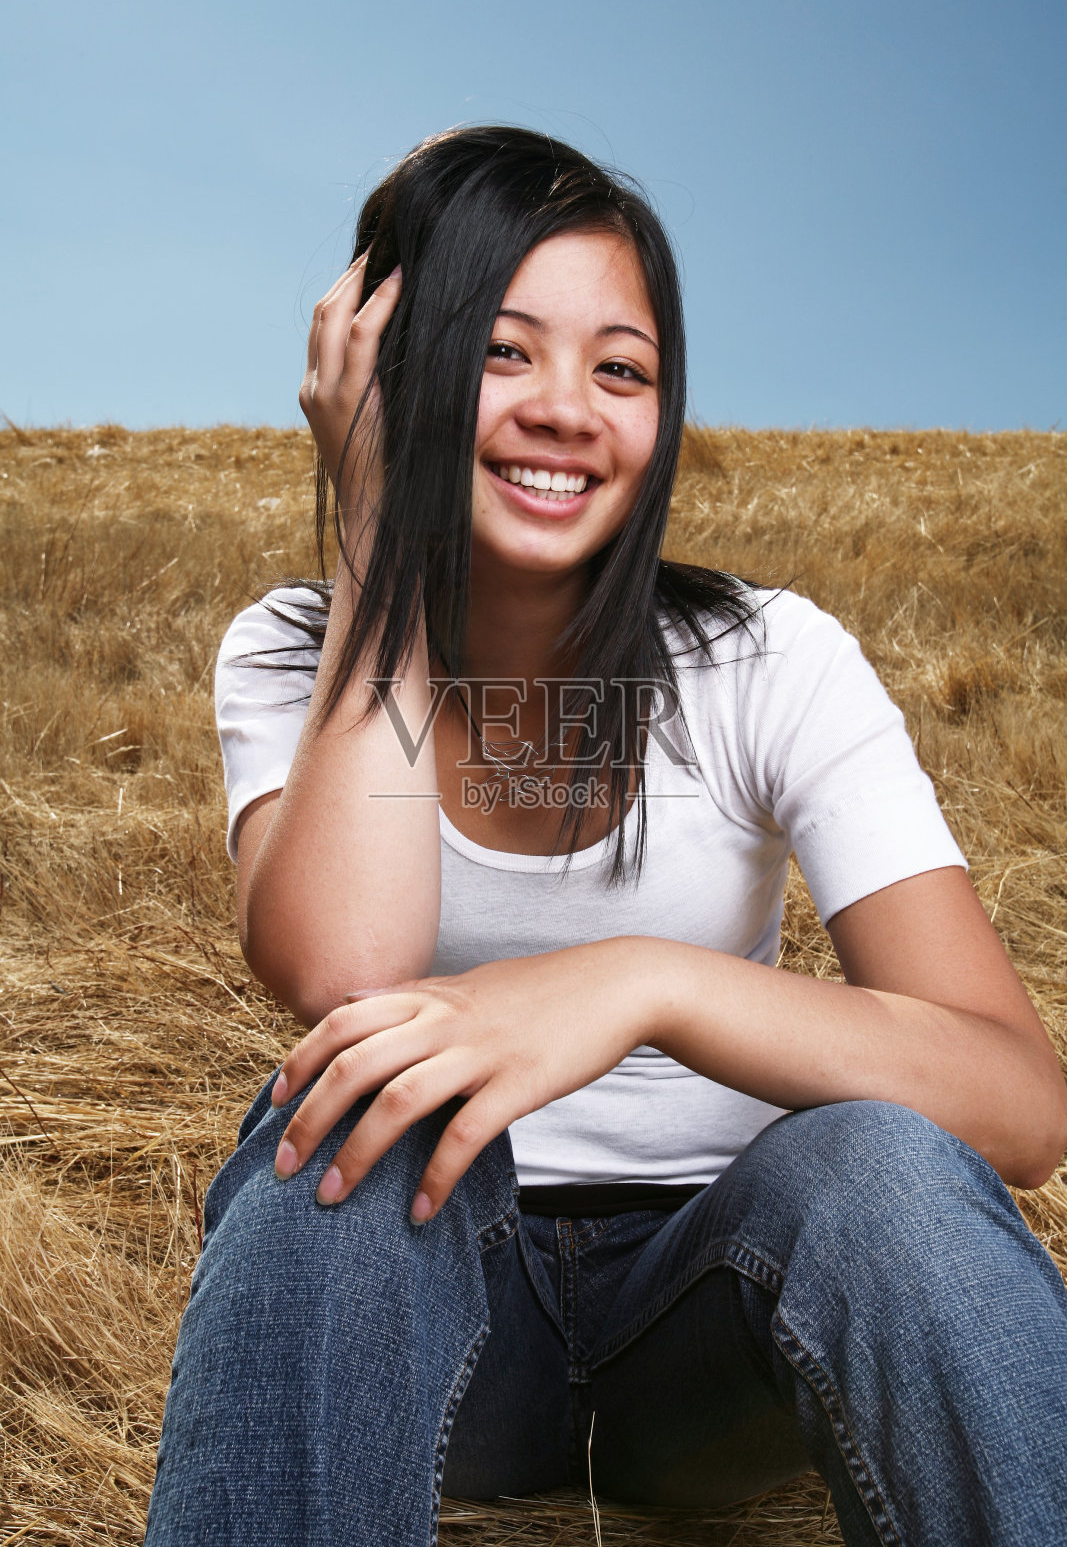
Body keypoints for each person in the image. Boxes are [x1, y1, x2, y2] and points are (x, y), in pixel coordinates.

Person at [145, 126, 1067, 1547]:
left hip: (719, 1320)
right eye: (503, 351)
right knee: (346, 1126)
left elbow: (1016, 1104)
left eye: (621, 369)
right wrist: (381, 548)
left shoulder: (773, 659)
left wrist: (645, 981)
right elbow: (343, 967)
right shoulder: (296, 650)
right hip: (431, 1321)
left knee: (884, 1164)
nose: (569, 409)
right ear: (389, 375)